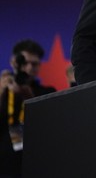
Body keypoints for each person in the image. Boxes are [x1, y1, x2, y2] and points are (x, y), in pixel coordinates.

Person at [1, 39, 55, 177]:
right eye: (25, 63)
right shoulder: (3, 88)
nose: (30, 68)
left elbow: (51, 126)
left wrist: (29, 97)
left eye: (34, 64)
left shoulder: (47, 92)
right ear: (14, 62)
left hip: (36, 163)